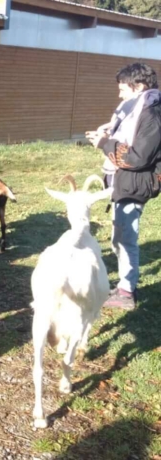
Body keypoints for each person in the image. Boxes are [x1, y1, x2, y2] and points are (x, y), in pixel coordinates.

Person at [87, 63, 161, 311]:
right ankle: (124, 286)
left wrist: (105, 144)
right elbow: (126, 135)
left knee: (125, 238)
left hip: (135, 182)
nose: (119, 94)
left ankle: (126, 292)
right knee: (119, 237)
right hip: (124, 180)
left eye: (122, 89)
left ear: (138, 86)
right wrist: (108, 132)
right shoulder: (135, 108)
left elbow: (137, 157)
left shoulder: (152, 114)